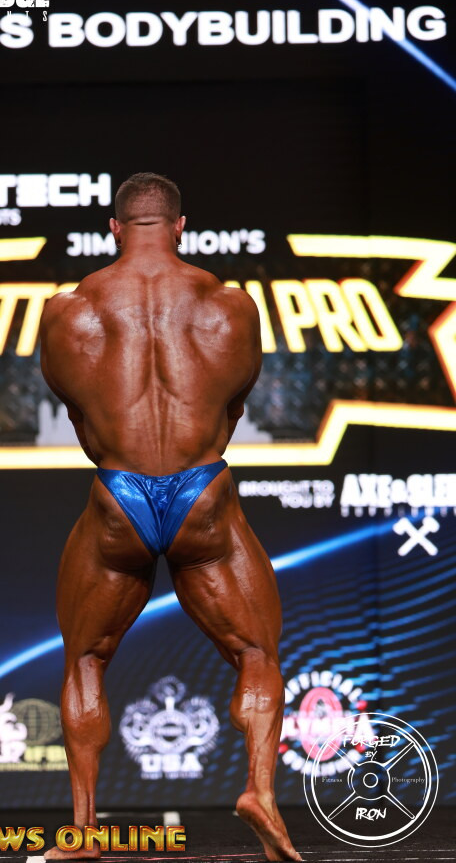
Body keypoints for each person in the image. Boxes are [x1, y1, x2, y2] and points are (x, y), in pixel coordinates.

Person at [39, 173, 301, 862]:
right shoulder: (231, 306)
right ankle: (259, 791)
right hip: (202, 494)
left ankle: (83, 834)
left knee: (85, 659)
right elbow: (234, 407)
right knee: (256, 654)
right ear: (181, 226)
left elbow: (80, 416)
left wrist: (123, 462)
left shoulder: (68, 311)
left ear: (114, 227)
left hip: (118, 495)